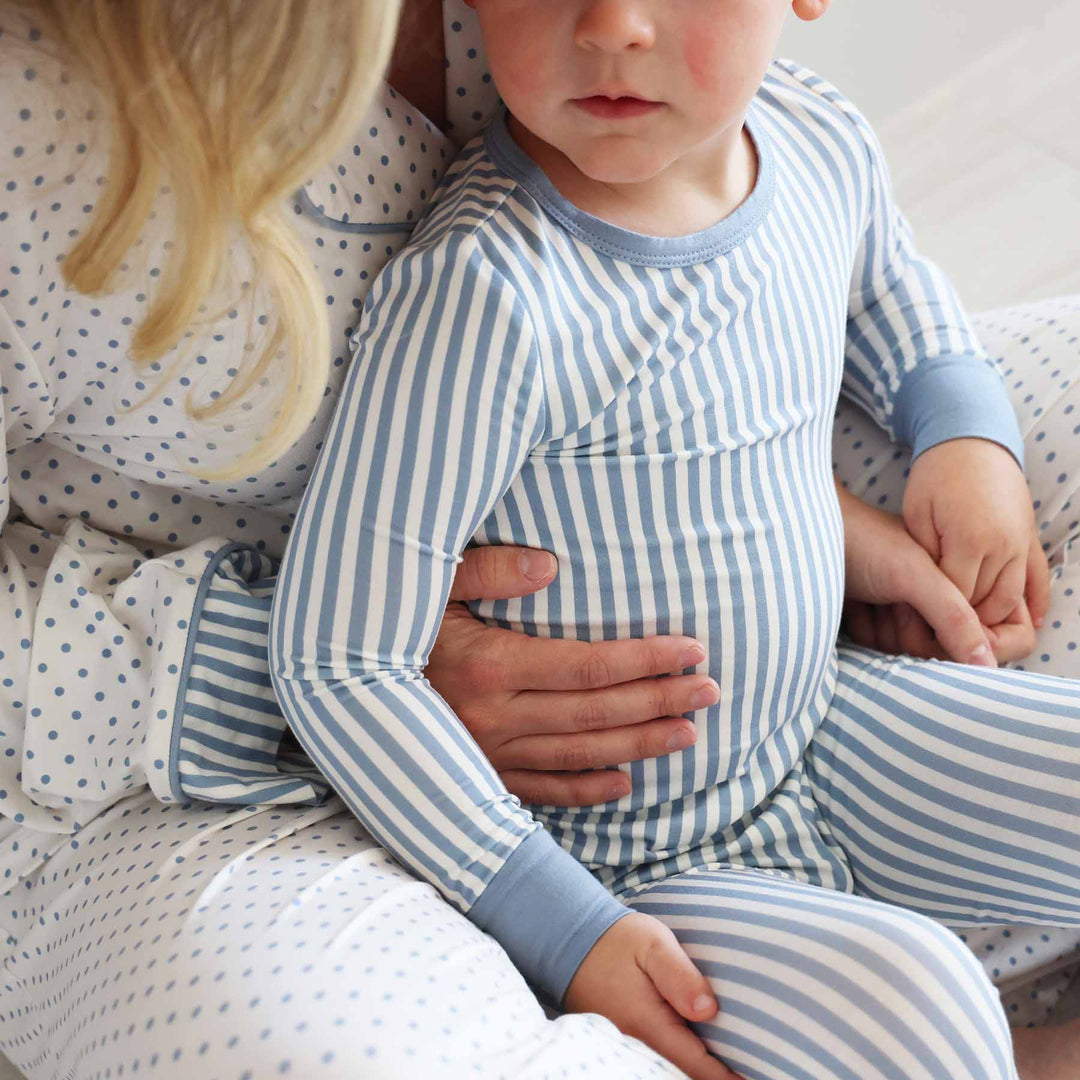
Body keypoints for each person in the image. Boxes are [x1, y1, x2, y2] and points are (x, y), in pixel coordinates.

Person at [0, 0, 1077, 1077]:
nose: (612, 23)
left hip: (811, 721)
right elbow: (339, 657)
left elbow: (886, 281)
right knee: (919, 1012)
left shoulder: (812, 133)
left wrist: (955, 433)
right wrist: (563, 925)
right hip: (615, 844)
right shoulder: (484, 289)